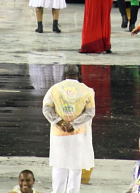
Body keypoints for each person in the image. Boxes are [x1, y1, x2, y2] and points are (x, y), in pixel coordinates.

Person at [42, 64, 95, 193]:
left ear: (64, 75)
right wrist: (74, 124)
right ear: (78, 75)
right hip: (79, 135)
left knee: (59, 166)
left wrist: (59, 122)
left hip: (59, 135)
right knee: (76, 168)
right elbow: (89, 112)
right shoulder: (87, 91)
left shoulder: (54, 89)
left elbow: (47, 108)